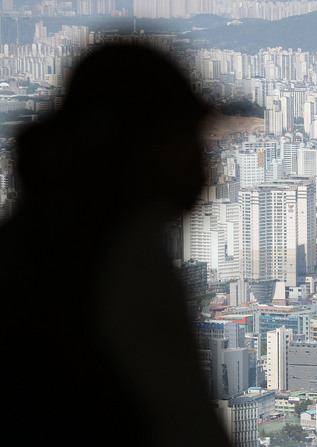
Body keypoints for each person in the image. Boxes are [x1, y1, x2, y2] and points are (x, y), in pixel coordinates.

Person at [1, 43, 230, 446]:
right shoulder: (122, 267)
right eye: (183, 138)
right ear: (140, 148)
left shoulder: (33, 244)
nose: (204, 166)